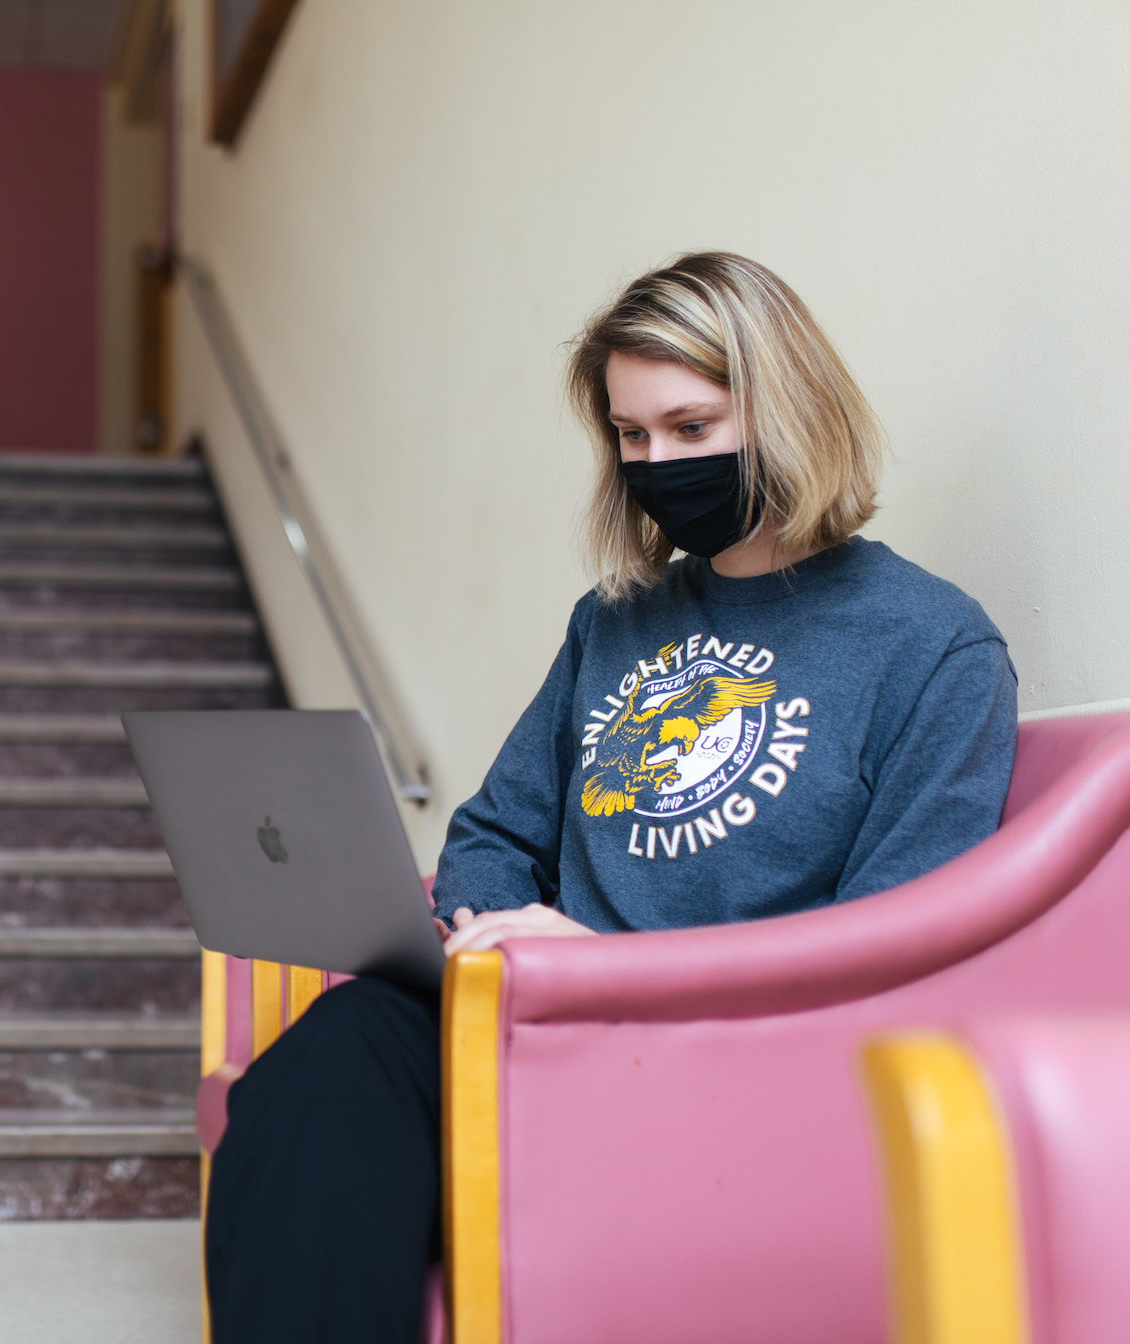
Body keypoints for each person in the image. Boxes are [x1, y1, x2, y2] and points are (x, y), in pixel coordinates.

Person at [203, 252, 1019, 1343]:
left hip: (727, 1056)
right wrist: (496, 935)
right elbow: (493, 834)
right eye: (631, 437)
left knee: (344, 1102)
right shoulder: (615, 620)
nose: (657, 464)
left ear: (792, 412)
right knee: (327, 1062)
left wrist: (610, 965)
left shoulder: (932, 646)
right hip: (537, 1021)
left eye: (691, 427)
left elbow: (891, 947)